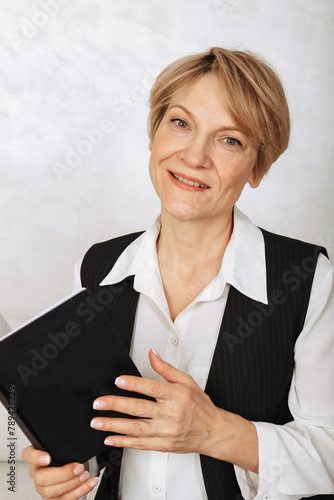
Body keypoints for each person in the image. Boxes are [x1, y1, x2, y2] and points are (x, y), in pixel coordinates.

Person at [22, 47, 334, 500]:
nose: (194, 157)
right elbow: (89, 440)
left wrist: (215, 431)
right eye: (181, 123)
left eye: (230, 140)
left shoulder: (308, 280)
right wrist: (69, 474)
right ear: (155, 134)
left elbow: (330, 451)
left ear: (257, 168)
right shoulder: (96, 270)